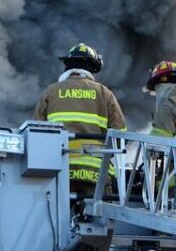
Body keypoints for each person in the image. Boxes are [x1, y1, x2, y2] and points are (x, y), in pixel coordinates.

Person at [34, 42, 126, 194]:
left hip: (59, 169)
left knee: (56, 216)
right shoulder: (104, 93)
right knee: (96, 216)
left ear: (67, 67)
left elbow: (36, 133)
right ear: (92, 68)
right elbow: (121, 134)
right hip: (97, 171)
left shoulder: (50, 92)